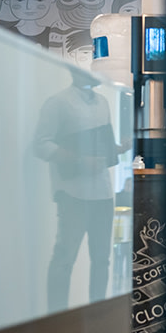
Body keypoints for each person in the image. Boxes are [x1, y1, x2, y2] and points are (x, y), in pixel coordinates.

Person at [34, 67, 130, 312]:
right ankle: (56, 315)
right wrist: (79, 159)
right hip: (72, 193)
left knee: (101, 259)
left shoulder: (103, 103)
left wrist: (119, 149)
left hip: (103, 193)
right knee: (65, 257)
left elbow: (104, 146)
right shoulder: (58, 103)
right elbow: (41, 145)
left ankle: (98, 314)